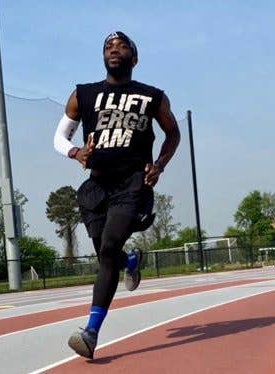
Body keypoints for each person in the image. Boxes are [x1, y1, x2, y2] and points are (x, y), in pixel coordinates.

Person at [53, 31, 180, 359]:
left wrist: (160, 165)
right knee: (104, 252)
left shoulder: (152, 96)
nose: (115, 50)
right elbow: (59, 137)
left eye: (122, 46)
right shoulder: (84, 94)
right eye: (109, 46)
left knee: (109, 246)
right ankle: (131, 261)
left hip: (132, 183)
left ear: (134, 58)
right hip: (96, 186)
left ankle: (91, 333)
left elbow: (173, 133)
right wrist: (76, 153)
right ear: (103, 56)